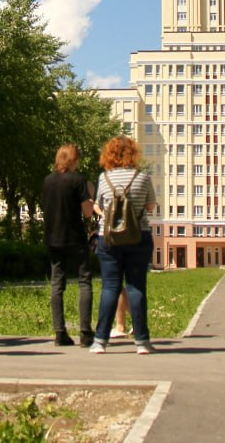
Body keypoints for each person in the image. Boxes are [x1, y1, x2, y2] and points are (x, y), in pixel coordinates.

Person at [89, 135, 157, 356]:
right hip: (139, 236)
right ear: (133, 153)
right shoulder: (143, 177)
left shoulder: (104, 178)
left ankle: (100, 341)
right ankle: (142, 342)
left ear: (109, 155)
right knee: (136, 287)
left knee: (110, 287)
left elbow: (99, 206)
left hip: (108, 238)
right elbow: (149, 207)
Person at [41, 143, 93, 347]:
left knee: (57, 284)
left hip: (53, 237)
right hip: (75, 237)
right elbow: (88, 211)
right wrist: (89, 194)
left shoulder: (48, 180)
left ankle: (59, 332)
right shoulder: (78, 180)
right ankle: (86, 332)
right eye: (78, 158)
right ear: (73, 160)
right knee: (84, 281)